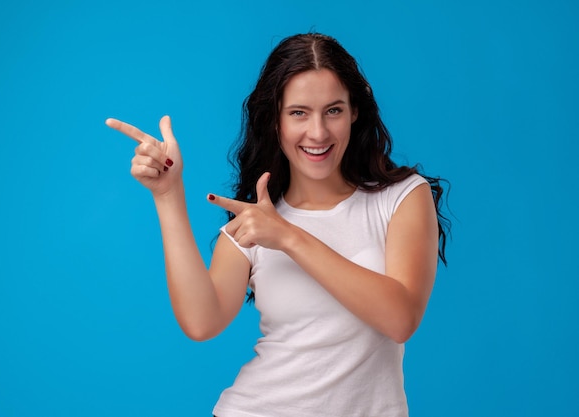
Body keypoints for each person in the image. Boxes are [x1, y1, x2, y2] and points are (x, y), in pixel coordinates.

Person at [106, 33, 449, 417]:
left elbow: (400, 319)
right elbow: (201, 323)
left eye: (333, 110)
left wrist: (289, 238)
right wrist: (167, 196)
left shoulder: (401, 198)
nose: (318, 133)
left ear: (355, 110)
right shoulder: (257, 222)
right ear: (275, 121)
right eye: (298, 113)